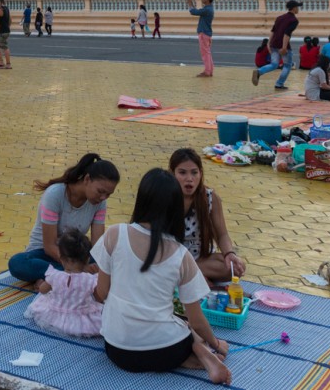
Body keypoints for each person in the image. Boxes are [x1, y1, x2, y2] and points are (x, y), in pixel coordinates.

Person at [93, 168, 231, 384]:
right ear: (176, 209)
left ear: (141, 200)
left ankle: (196, 355)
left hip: (117, 349)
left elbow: (102, 293)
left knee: (171, 326)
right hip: (166, 351)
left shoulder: (114, 234)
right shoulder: (180, 254)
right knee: (185, 326)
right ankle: (202, 352)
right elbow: (196, 320)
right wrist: (215, 342)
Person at [9, 153, 120, 284]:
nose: (103, 197)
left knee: (113, 260)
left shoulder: (100, 202)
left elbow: (97, 246)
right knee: (17, 263)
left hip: (76, 255)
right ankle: (70, 277)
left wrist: (98, 264)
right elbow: (49, 246)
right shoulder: (55, 194)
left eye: (108, 194)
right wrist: (80, 268)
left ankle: (54, 279)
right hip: (44, 254)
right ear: (87, 179)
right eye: (100, 191)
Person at [170, 148, 247, 284]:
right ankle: (196, 278)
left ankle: (192, 275)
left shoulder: (210, 198)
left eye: (194, 173)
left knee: (236, 266)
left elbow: (222, 235)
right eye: (182, 173)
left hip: (202, 260)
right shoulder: (164, 196)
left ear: (200, 173)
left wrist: (229, 254)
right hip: (171, 260)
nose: (189, 179)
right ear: (172, 173)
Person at [24, 227, 103, 337]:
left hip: (54, 316)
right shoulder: (90, 280)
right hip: (81, 320)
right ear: (87, 259)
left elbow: (42, 290)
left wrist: (41, 284)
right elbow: (99, 298)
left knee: (45, 298)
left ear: (61, 258)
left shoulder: (54, 275)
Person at [253, 0, 301, 90]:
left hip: (274, 44)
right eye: (297, 7)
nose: (298, 9)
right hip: (282, 45)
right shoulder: (294, 20)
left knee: (274, 64)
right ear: (294, 8)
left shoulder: (279, 18)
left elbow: (273, 31)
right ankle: (279, 84)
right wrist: (284, 47)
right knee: (287, 65)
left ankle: (259, 72)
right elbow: (287, 34)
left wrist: (268, 43)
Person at [185, 0, 215, 78]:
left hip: (204, 33)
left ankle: (207, 72)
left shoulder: (207, 10)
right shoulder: (208, 9)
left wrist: (190, 2)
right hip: (207, 33)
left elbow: (193, 12)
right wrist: (192, 4)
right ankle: (209, 71)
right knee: (208, 53)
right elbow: (197, 11)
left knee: (205, 53)